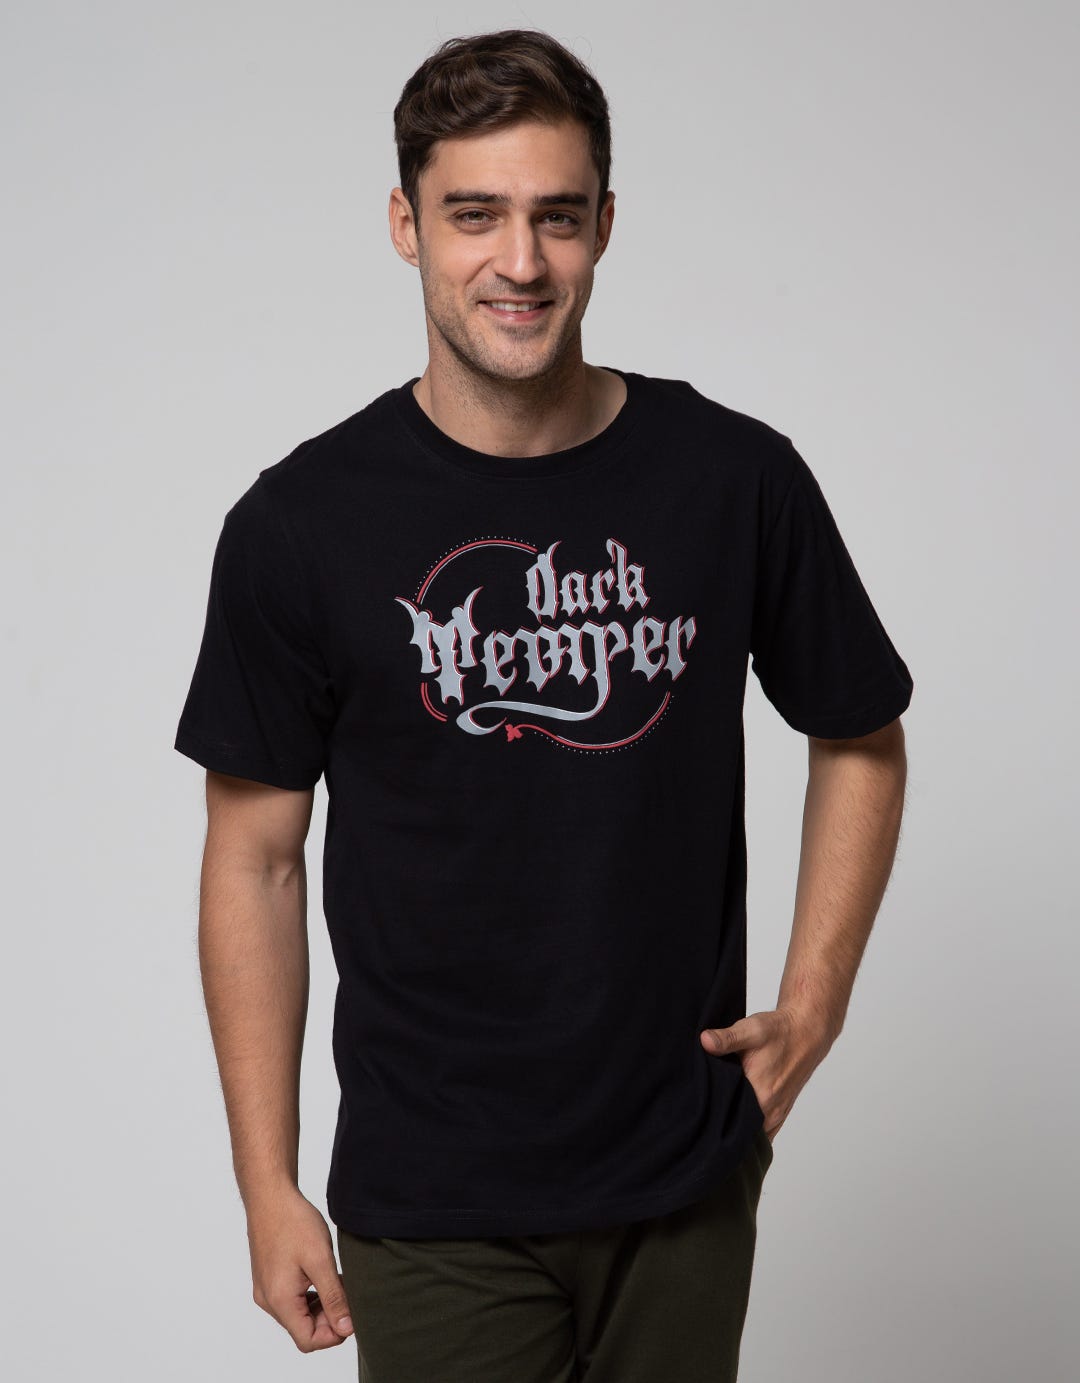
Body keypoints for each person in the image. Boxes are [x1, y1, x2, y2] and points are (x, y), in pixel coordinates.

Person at [173, 26, 913, 1383]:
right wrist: (266, 1183)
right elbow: (256, 860)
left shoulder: (733, 479)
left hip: (682, 1172)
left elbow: (860, 736)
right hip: (433, 1194)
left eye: (557, 217)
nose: (520, 261)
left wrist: (814, 1009)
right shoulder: (300, 525)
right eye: (475, 215)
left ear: (604, 227)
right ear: (406, 225)